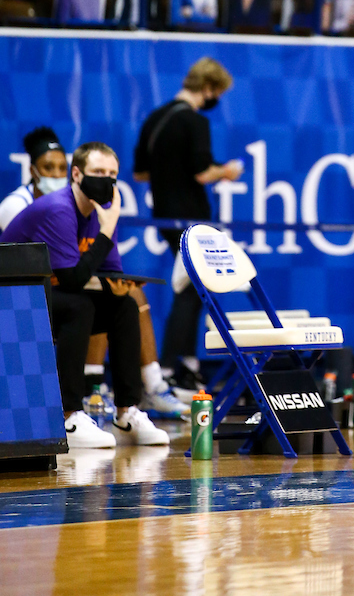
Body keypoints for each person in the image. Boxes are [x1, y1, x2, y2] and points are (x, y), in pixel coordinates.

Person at [0, 141, 169, 449]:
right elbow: (74, 279)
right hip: (12, 302)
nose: (106, 180)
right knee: (79, 306)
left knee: (124, 307)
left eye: (112, 174)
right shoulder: (59, 208)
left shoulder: (100, 213)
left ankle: (126, 414)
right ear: (76, 174)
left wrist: (118, 287)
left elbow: (109, 270)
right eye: (98, 172)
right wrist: (106, 233)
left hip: (46, 296)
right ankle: (69, 416)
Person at [133, 58, 243, 389]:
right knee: (190, 289)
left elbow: (140, 173)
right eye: (218, 92)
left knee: (194, 287)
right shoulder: (194, 122)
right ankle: (170, 368)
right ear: (209, 88)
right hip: (192, 217)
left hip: (164, 214)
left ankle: (186, 364)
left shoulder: (155, 118)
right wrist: (226, 171)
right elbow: (201, 172)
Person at [0, 126, 68, 231]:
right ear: (32, 171)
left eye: (62, 168)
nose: (57, 174)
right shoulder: (15, 205)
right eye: (48, 167)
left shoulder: (70, 204)